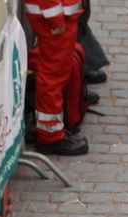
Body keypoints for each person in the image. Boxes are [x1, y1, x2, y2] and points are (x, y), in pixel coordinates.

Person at [29, 0, 90, 153]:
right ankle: (50, 136)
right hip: (55, 19)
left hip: (58, 16)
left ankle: (53, 131)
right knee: (53, 77)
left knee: (56, 74)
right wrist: (55, 19)